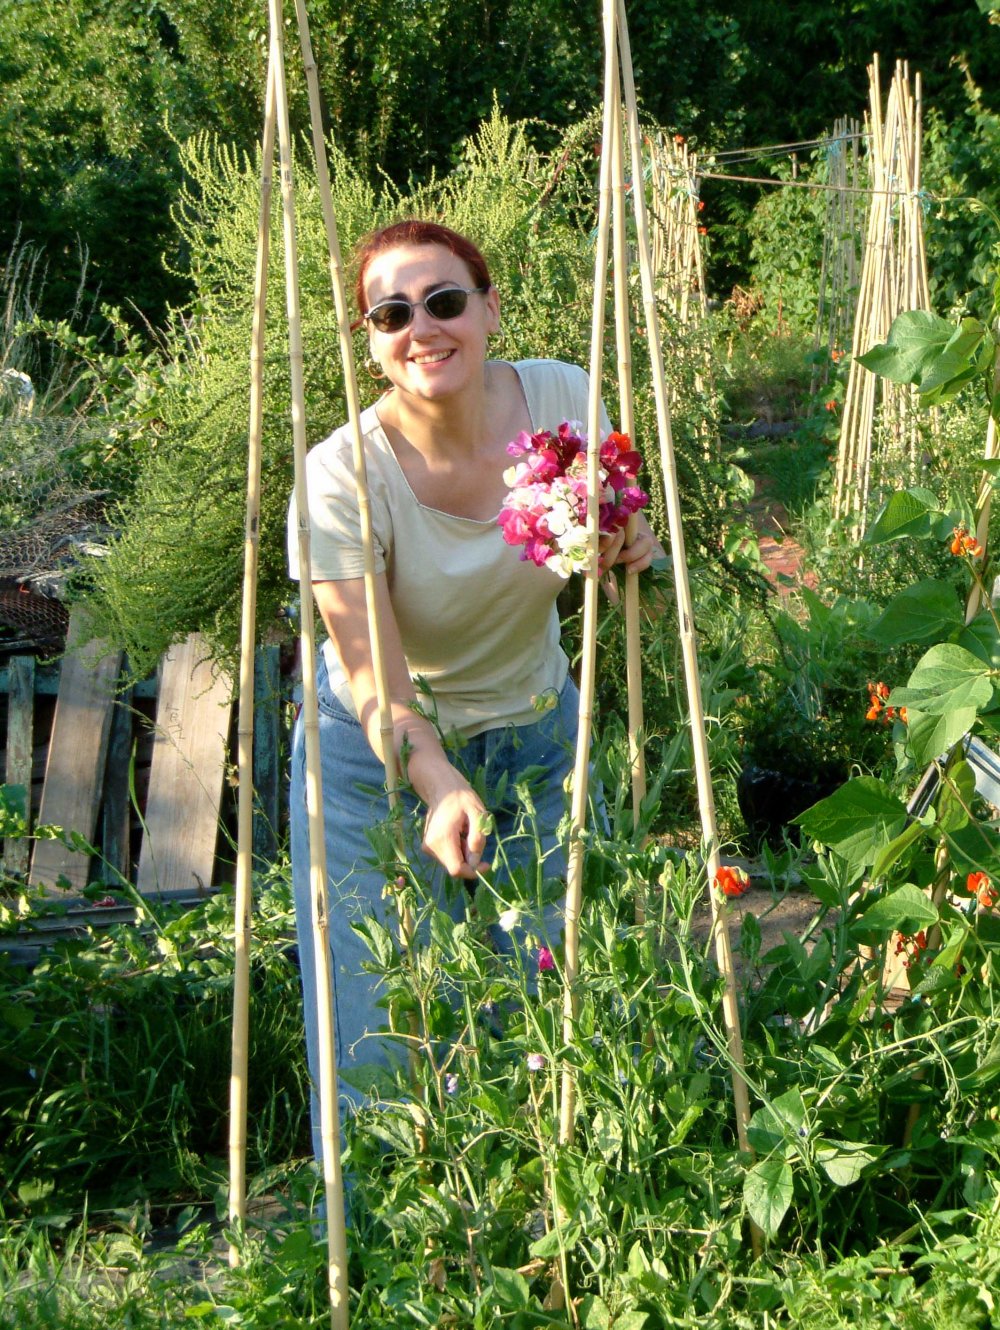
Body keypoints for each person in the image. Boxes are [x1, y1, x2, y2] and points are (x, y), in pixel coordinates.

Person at [287, 219, 662, 1151]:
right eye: (391, 314)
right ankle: (385, 1225)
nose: (422, 328)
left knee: (562, 999)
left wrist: (628, 538)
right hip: (376, 758)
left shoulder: (562, 397)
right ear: (370, 342)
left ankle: (557, 1216)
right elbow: (377, 684)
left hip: (538, 726)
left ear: (490, 309)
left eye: (445, 301)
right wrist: (438, 779)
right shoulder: (340, 478)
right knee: (385, 1032)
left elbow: (620, 528)